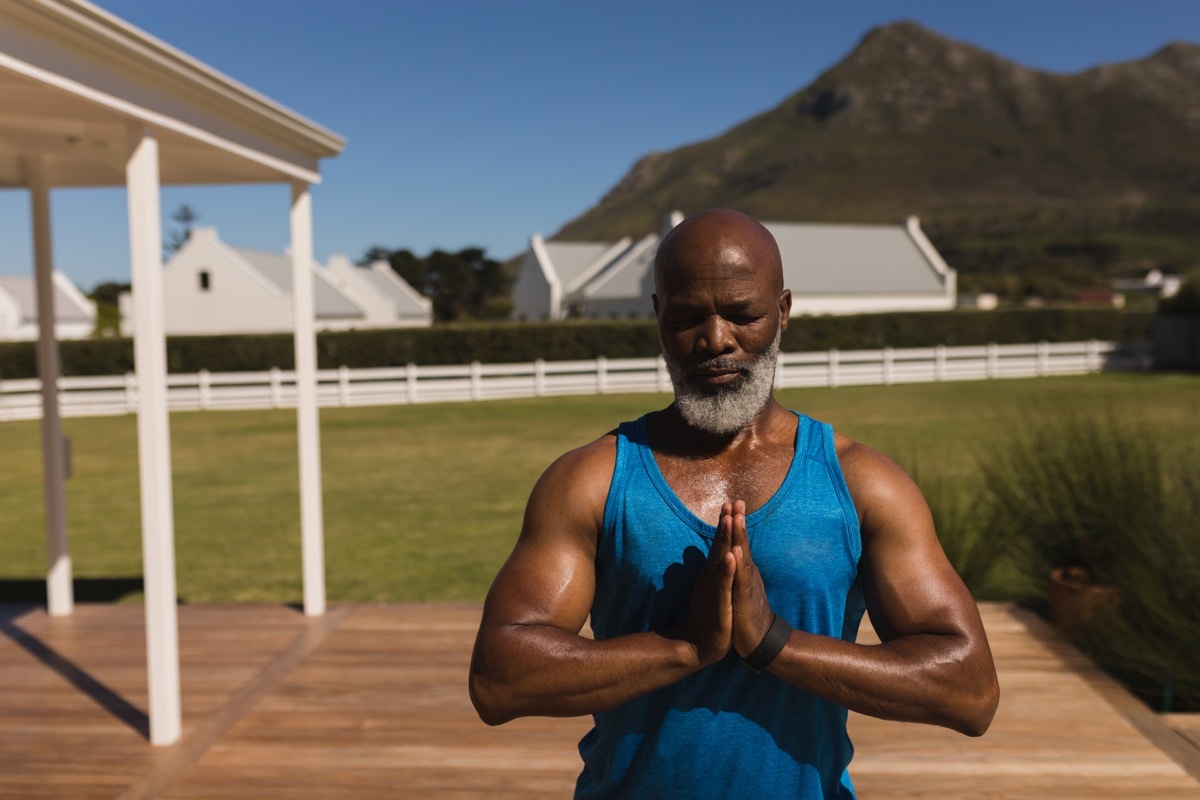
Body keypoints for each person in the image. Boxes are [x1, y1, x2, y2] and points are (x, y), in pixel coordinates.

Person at [468, 209, 999, 799]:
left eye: (742, 314)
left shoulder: (862, 483)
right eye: (688, 316)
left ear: (783, 312)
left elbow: (969, 691)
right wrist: (683, 647)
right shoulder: (592, 479)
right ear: (658, 318)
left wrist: (773, 642)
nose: (715, 340)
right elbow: (499, 678)